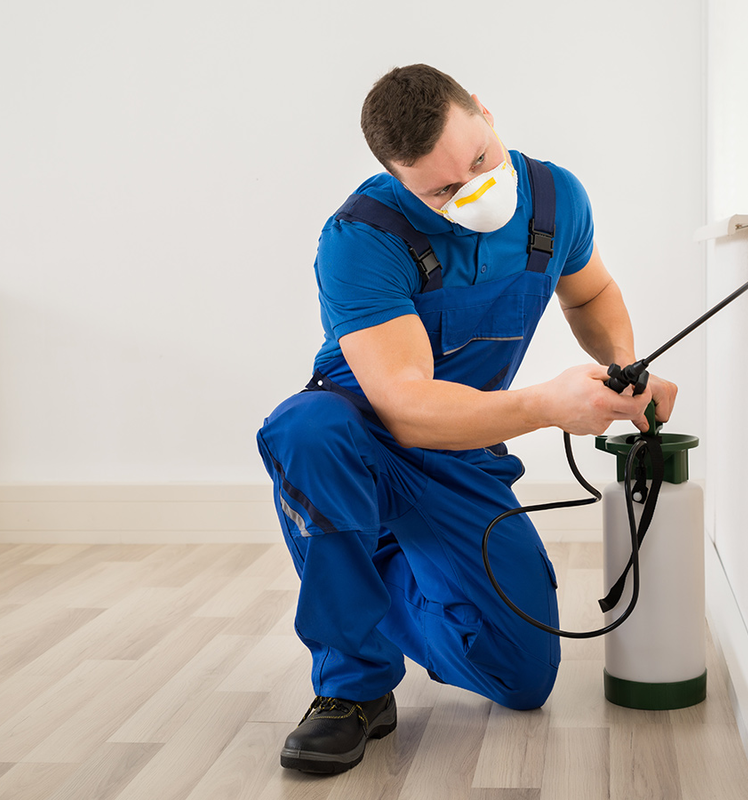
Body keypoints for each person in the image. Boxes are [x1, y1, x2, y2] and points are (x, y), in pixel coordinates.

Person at [256, 64, 678, 775]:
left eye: (479, 161)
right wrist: (547, 406)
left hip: (463, 450)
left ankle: (370, 560)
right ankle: (353, 689)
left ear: (484, 112)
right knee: (305, 429)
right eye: (444, 189)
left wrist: (623, 372)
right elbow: (407, 406)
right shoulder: (362, 237)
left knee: (522, 676)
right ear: (397, 179)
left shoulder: (554, 201)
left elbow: (591, 291)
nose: (474, 189)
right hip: (363, 437)